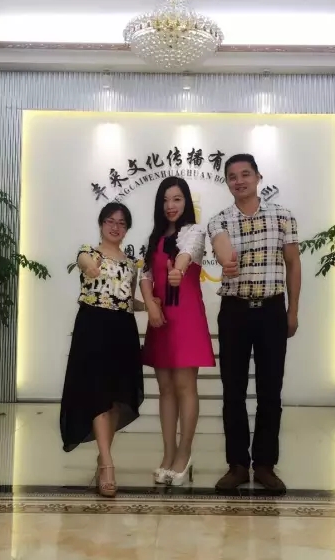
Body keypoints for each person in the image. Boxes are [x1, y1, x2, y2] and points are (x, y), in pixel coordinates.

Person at [208, 154, 301, 493]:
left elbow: (293, 264)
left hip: (272, 311)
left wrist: (293, 311)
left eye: (245, 174)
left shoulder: (283, 216)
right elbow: (222, 250)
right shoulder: (219, 220)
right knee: (232, 390)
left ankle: (264, 465)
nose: (239, 181)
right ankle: (236, 465)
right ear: (227, 183)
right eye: (232, 176)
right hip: (234, 311)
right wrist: (226, 262)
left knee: (270, 391)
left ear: (258, 177)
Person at [60, 202, 144, 498]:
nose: (115, 227)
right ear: (101, 224)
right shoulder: (89, 252)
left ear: (127, 229)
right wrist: (91, 267)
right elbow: (86, 264)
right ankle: (107, 465)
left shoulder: (131, 264)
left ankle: (103, 455)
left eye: (121, 223)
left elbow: (127, 299)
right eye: (110, 221)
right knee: (98, 394)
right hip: (93, 327)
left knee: (117, 398)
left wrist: (151, 306)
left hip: (123, 330)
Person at [140, 177, 215, 486]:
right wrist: (150, 305)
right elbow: (145, 275)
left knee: (185, 386)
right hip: (160, 316)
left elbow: (187, 253)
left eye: (177, 199)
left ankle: (184, 453)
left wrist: (178, 270)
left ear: (186, 202)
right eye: (165, 200)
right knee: (165, 388)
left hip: (186, 316)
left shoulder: (194, 231)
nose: (170, 206)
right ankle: (168, 453)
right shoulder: (155, 237)